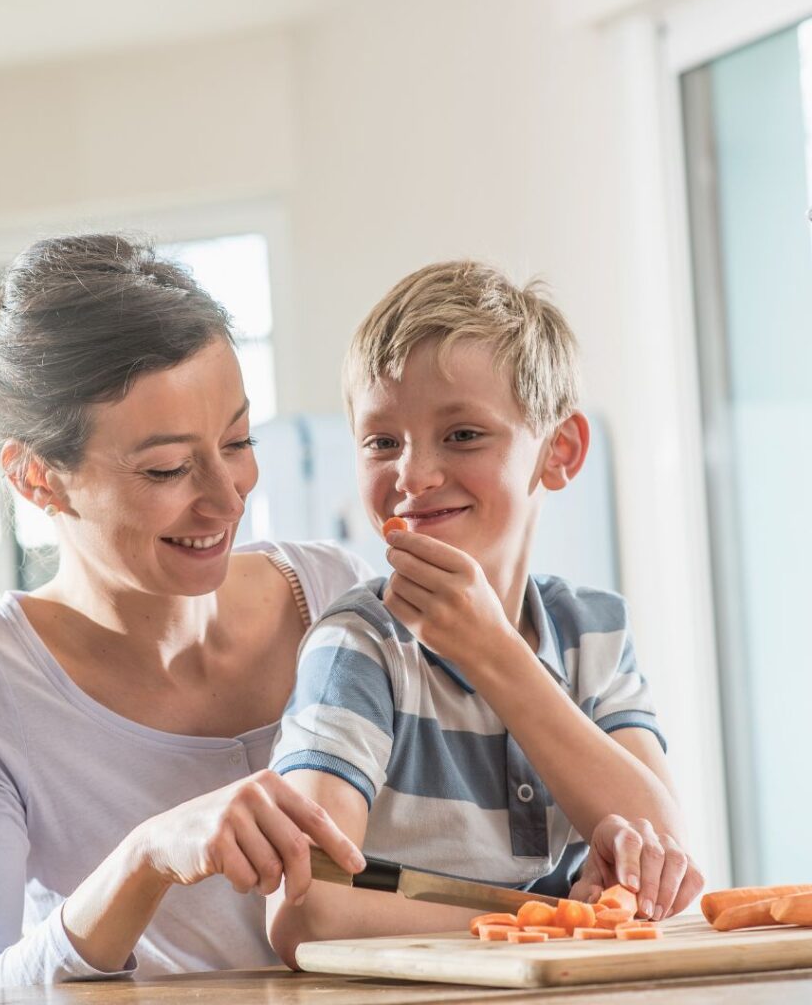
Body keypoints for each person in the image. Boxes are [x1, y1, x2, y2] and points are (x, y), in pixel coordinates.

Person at [0, 233, 371, 993]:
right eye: (167, 468)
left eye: (239, 440)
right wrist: (143, 858)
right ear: (36, 479)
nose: (228, 498)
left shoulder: (330, 594)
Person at [266, 260, 704, 965]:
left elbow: (666, 857)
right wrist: (551, 920)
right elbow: (303, 904)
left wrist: (494, 655)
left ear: (558, 452)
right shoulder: (358, 646)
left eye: (463, 434)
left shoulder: (594, 630)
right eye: (382, 441)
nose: (413, 475)